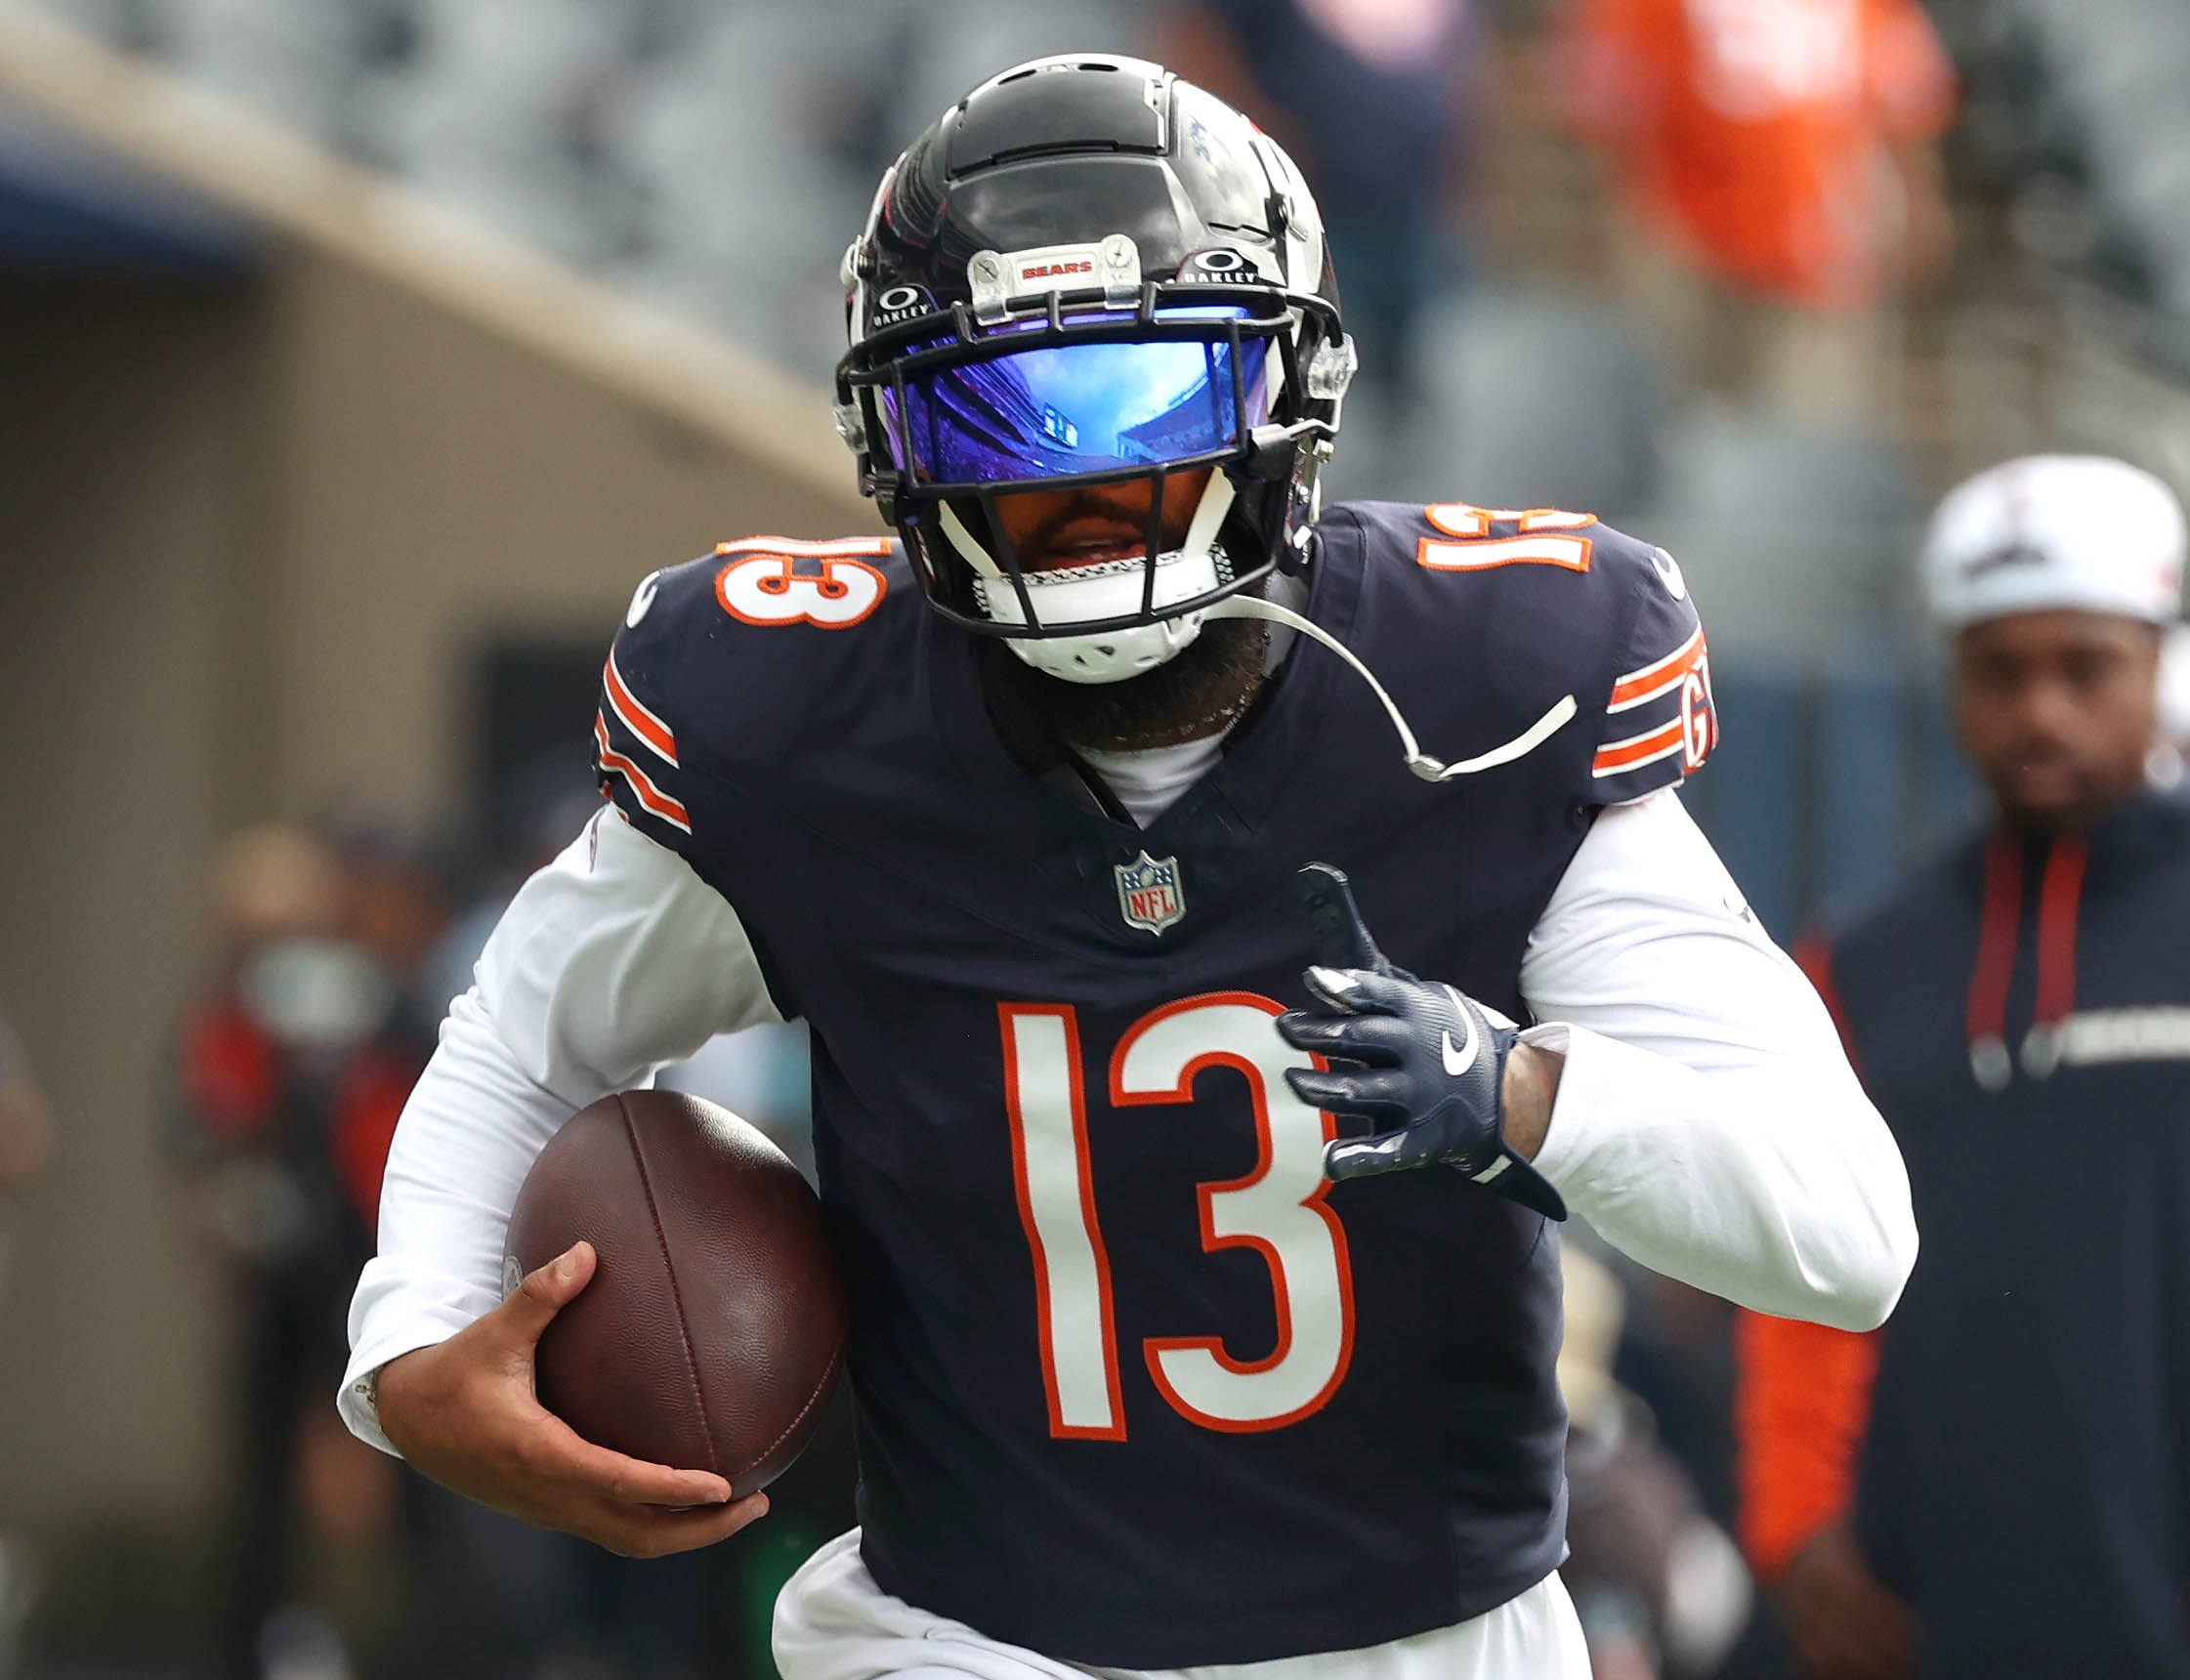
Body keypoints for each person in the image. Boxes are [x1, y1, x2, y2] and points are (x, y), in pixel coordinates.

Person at [340, 56, 1916, 1680]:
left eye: (1141, 398)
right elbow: (526, 1043)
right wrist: (408, 1353)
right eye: (993, 406)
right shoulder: (800, 719)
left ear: (1287, 391)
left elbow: (1843, 1232)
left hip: (1422, 1646)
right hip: (966, 1637)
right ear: (896, 438)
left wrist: (1515, 1092)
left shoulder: (1485, 697)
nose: (1070, 482)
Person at [1735, 454, 2190, 1680]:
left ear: (2160, 661)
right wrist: (1793, 1522)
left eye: (2083, 667)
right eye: (1999, 672)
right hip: (1920, 1610)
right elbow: (1798, 1256)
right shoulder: (1862, 961)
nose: (2039, 710)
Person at [1557, 0, 1957, 421]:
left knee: (1811, 429)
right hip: (1688, 243)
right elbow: (1609, 98)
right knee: (1683, 426)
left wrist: (1919, 205)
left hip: (1820, 252)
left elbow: (1905, 95)